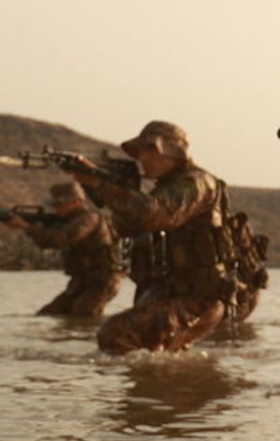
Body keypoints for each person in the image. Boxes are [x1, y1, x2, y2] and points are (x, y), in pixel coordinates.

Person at [76, 121, 259, 353]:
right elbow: (129, 227)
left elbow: (154, 216)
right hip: (179, 293)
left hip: (205, 298)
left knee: (114, 333)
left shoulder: (197, 183)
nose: (142, 160)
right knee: (151, 349)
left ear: (169, 151)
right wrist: (107, 187)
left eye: (148, 152)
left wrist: (100, 184)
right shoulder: (166, 189)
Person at [4, 181, 124, 318]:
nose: (56, 209)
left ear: (77, 202)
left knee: (84, 315)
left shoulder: (89, 219)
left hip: (102, 282)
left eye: (60, 204)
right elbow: (49, 240)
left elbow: (59, 239)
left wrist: (26, 226)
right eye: (55, 205)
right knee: (47, 315)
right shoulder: (69, 220)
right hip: (82, 282)